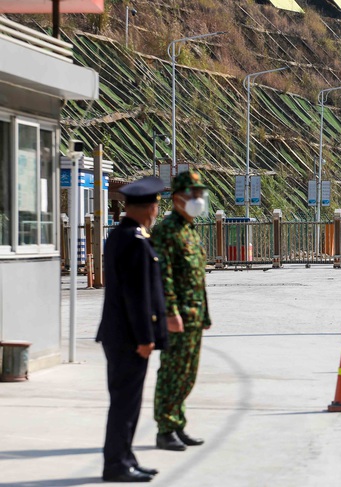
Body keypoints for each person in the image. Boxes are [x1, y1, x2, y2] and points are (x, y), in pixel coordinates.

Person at [96, 176, 168, 482]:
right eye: (154, 207)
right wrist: (144, 337)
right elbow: (137, 296)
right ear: (148, 207)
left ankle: (125, 457)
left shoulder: (122, 235)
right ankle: (116, 464)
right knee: (125, 403)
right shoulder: (135, 241)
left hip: (120, 335)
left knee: (127, 401)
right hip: (129, 337)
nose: (155, 212)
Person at [151, 169, 212, 451]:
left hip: (194, 315)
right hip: (177, 316)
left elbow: (198, 277)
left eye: (200, 194)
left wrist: (206, 315)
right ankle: (165, 429)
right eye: (193, 194)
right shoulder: (166, 231)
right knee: (172, 371)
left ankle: (178, 423)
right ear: (177, 198)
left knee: (188, 373)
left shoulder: (190, 230)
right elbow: (164, 277)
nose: (198, 198)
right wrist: (170, 312)